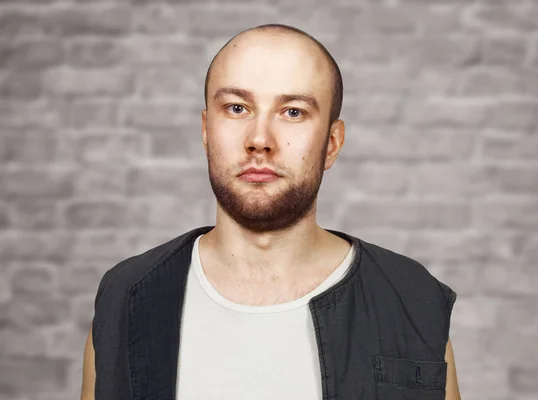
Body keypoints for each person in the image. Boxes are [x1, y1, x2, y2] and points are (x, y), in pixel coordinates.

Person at [81, 23, 461, 400]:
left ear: (331, 143)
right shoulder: (126, 296)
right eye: (236, 108)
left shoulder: (412, 299)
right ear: (205, 130)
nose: (259, 139)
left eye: (293, 112)